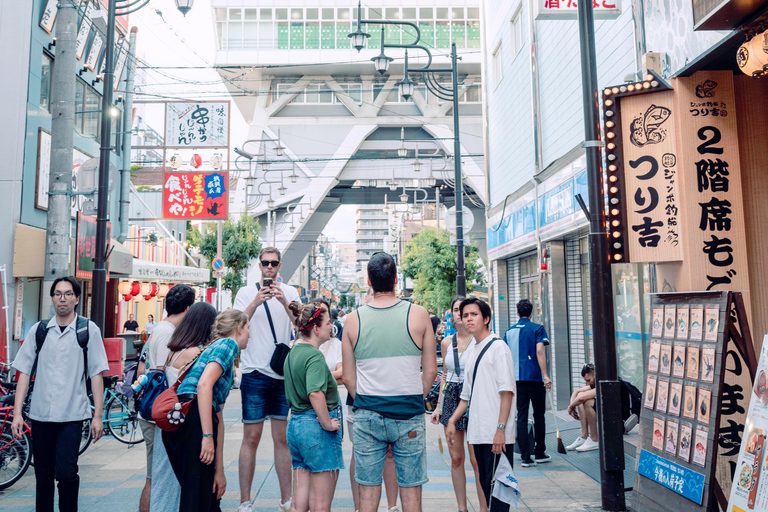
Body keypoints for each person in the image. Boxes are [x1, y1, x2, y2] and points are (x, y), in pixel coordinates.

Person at [342, 252, 437, 512]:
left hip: (367, 414)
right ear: (396, 279)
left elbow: (348, 377)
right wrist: (414, 397)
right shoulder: (419, 315)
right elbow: (430, 372)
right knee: (411, 493)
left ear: (369, 282)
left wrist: (367, 399)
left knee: (367, 493)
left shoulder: (353, 320)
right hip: (409, 413)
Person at [11, 277, 109, 512]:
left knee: (66, 473)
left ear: (77, 299)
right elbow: (24, 372)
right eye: (58, 294)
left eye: (68, 294)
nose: (62, 298)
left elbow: (96, 374)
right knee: (43, 476)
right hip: (41, 415)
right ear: (52, 298)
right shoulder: (39, 330)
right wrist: (17, 413)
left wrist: (98, 416)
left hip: (72, 416)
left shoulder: (88, 330)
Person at [233, 247, 300, 512]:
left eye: (273, 263)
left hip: (281, 374)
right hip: (253, 373)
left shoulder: (290, 292)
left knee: (282, 438)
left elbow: (301, 325)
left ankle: (287, 499)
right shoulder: (245, 292)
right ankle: (245, 501)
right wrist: (256, 302)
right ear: (259, 266)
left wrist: (284, 302)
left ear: (280, 266)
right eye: (265, 263)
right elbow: (235, 325)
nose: (269, 267)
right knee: (251, 437)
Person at [162, 308, 249, 512]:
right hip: (195, 419)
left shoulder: (212, 346)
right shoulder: (228, 344)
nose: (249, 333)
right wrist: (207, 436)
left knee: (204, 496)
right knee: (197, 499)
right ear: (238, 328)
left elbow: (217, 412)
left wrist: (219, 469)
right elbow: (203, 386)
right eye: (248, 327)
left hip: (183, 418)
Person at [446, 298, 516, 512]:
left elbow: (507, 392)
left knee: (499, 497)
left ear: (486, 318)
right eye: (465, 315)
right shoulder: (473, 349)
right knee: (487, 490)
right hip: (478, 433)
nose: (468, 319)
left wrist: (501, 429)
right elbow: (466, 397)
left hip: (496, 435)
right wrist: (452, 420)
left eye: (474, 314)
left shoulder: (499, 348)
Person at [150, 302, 218, 511]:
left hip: (170, 421)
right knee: (192, 486)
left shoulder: (174, 350)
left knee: (166, 479)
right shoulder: (196, 353)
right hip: (188, 421)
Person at [140, 284, 195, 512]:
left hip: (155, 412)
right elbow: (165, 375)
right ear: (188, 309)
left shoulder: (161, 328)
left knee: (156, 476)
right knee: (155, 477)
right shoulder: (167, 333)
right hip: (158, 415)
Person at [284, 301, 343, 512]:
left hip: (296, 426)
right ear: (316, 328)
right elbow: (315, 392)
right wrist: (327, 423)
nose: (331, 327)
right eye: (327, 323)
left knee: (299, 503)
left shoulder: (293, 352)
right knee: (321, 503)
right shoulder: (314, 355)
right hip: (316, 428)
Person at [345, 287, 400, 512]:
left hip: (387, 397)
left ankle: (392, 505)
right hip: (360, 400)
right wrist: (361, 400)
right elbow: (346, 371)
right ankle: (360, 506)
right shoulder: (355, 322)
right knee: (359, 454)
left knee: (390, 453)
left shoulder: (392, 322)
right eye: (370, 294)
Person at [431, 296, 486, 512]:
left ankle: (484, 507)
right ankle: (462, 507)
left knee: (476, 459)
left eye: (465, 311)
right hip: (452, 397)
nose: (461, 315)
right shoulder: (447, 342)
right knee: (456, 458)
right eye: (457, 310)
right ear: (452, 315)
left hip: (474, 397)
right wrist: (438, 406)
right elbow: (445, 375)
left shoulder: (480, 341)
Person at [504, 299, 551, 467]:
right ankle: (540, 452)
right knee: (539, 415)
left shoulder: (509, 332)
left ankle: (525, 457)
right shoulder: (537, 328)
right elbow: (540, 351)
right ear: (531, 312)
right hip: (535, 378)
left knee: (521, 416)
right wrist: (545, 375)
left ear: (518, 313)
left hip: (517, 380)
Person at [566, 364, 599, 452]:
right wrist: (572, 405)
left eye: (589, 380)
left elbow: (581, 398)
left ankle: (594, 439)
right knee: (580, 396)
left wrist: (571, 407)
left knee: (587, 402)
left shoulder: (602, 382)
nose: (588, 383)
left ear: (595, 375)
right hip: (605, 412)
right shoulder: (594, 383)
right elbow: (577, 392)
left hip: (616, 418)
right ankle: (584, 436)